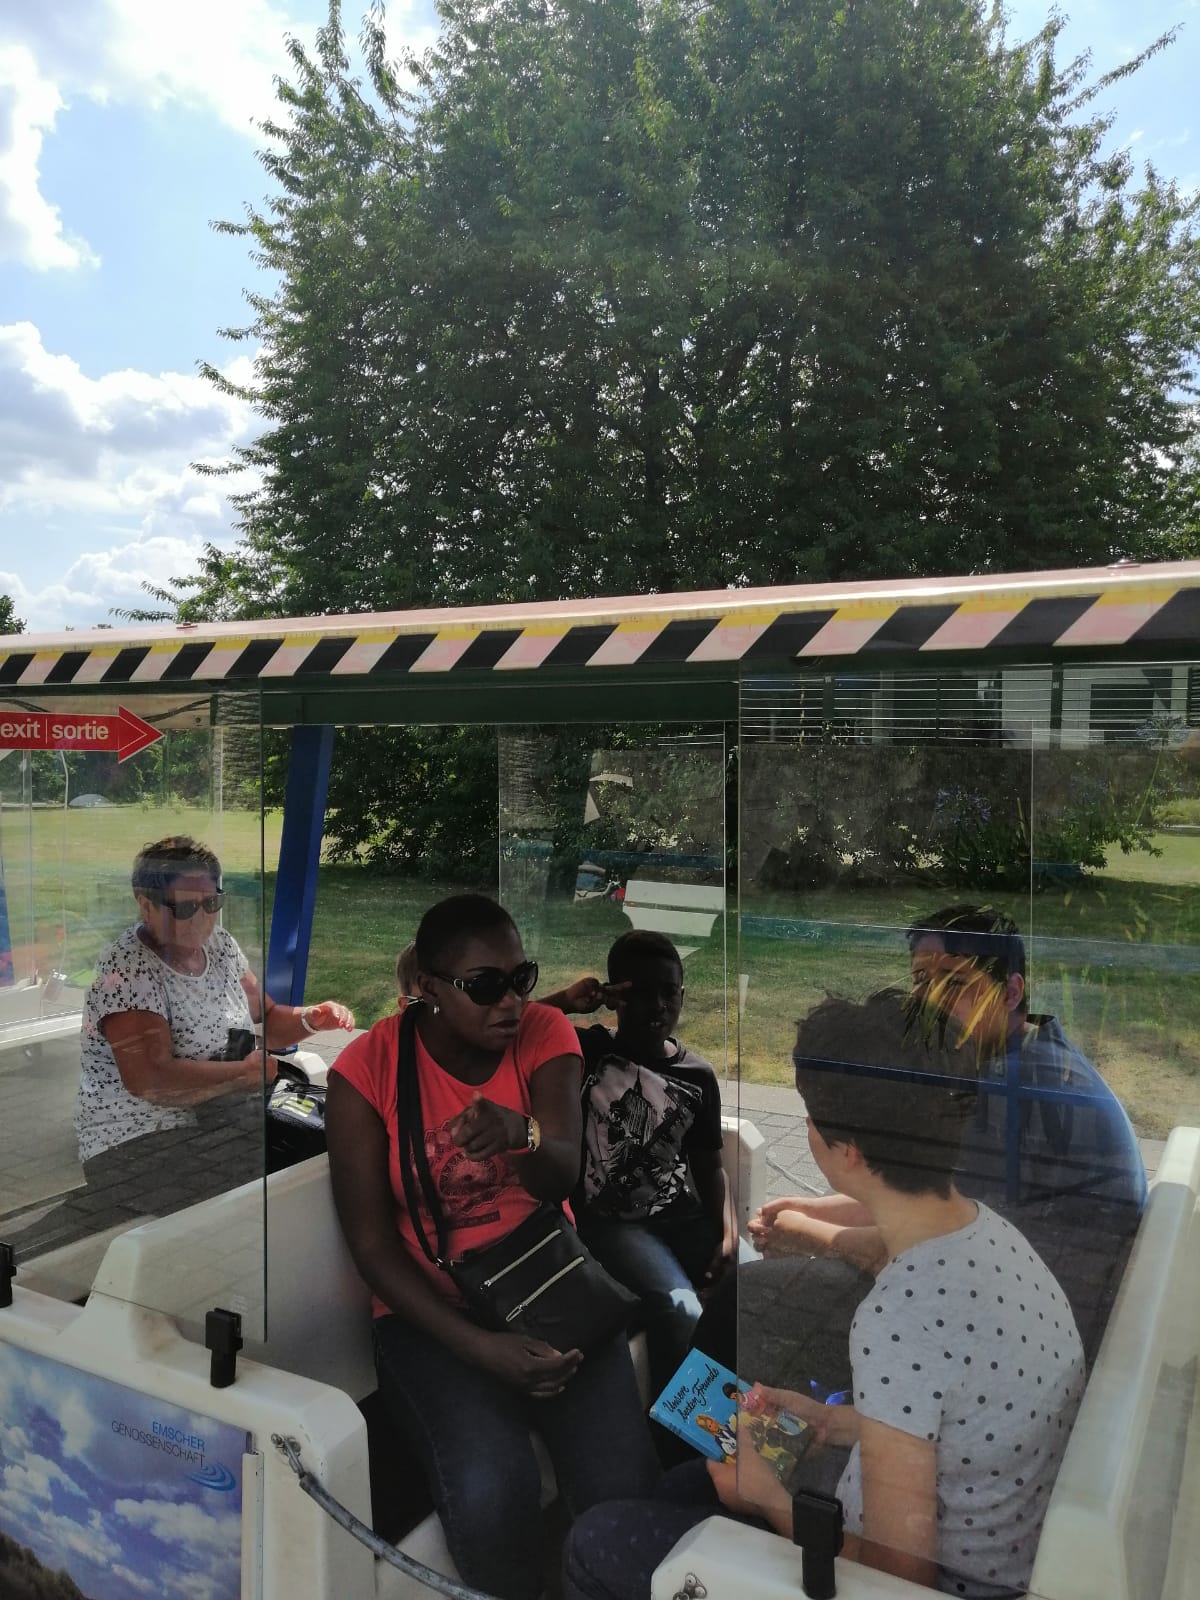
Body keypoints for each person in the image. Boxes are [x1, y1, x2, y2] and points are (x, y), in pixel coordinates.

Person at [561, 991, 1085, 1600]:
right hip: (1000, 1547)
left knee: (591, 1543)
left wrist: (769, 1499)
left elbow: (896, 1580)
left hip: (923, 1584)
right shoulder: (996, 1238)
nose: (806, 1125)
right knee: (684, 1485)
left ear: (850, 1153)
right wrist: (834, 1422)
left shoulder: (900, 1318)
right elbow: (966, 1424)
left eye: (812, 1116)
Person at [326, 894, 658, 1600]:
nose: (510, 1001)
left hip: (547, 1285)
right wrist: (482, 1349)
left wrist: (520, 1133)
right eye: (484, 986)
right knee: (491, 1489)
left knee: (623, 1490)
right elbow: (373, 1247)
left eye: (520, 978)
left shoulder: (543, 1033)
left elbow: (560, 1172)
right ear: (428, 987)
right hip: (432, 1316)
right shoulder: (367, 1070)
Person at [745, 905, 1145, 1367]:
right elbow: (923, 1196)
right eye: (921, 980)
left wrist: (812, 1234)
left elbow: (922, 1250)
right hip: (1031, 1302)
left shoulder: (1006, 1094)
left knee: (749, 1296)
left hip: (1026, 1334)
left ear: (1011, 991)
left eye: (954, 982)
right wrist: (811, 1209)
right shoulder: (1030, 1057)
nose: (929, 1001)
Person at [11, 835, 354, 1252]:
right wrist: (243, 1074)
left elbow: (266, 1017)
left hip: (218, 1120)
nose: (202, 919)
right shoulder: (127, 967)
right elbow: (151, 1079)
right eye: (186, 907)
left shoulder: (221, 947)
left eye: (212, 903)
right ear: (146, 905)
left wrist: (309, 1019)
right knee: (278, 1177)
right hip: (134, 1140)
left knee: (321, 1147)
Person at [550, 930, 737, 1393]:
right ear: (616, 997)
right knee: (679, 1309)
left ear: (682, 995)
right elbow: (516, 1025)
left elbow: (709, 1165)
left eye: (669, 992)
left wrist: (729, 1231)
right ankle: (680, 1430)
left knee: (751, 1287)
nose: (658, 1006)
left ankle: (746, 1409)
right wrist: (570, 1001)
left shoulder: (698, 1076)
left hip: (680, 1217)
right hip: (612, 1227)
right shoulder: (589, 1050)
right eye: (641, 993)